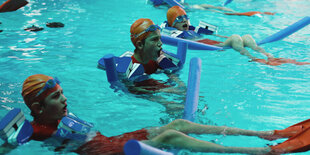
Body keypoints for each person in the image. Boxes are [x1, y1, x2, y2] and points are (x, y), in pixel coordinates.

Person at [2, 74, 310, 154]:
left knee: (180, 122)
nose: (64, 99)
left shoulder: (53, 117)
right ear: (39, 108)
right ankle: (261, 152)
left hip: (118, 141)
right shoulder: (35, 130)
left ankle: (266, 134)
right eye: (56, 97)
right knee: (172, 134)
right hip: (115, 154)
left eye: (62, 92)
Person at [166, 6, 310, 66]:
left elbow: (220, 36)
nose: (184, 21)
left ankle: (270, 56)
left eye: (185, 17)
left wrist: (224, 38)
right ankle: (255, 59)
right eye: (179, 19)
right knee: (235, 38)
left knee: (246, 37)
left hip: (216, 42)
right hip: (209, 46)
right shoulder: (174, 34)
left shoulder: (193, 29)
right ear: (172, 24)